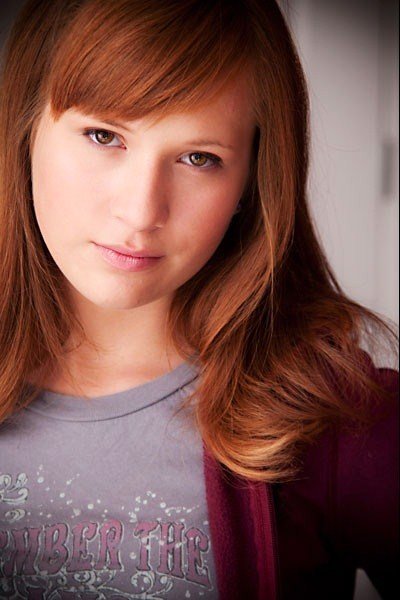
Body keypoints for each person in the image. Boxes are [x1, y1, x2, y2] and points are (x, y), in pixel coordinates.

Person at [0, 0, 398, 598]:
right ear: (24, 130)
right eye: (104, 136)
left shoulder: (334, 423)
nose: (141, 212)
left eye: (199, 158)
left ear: (251, 183)